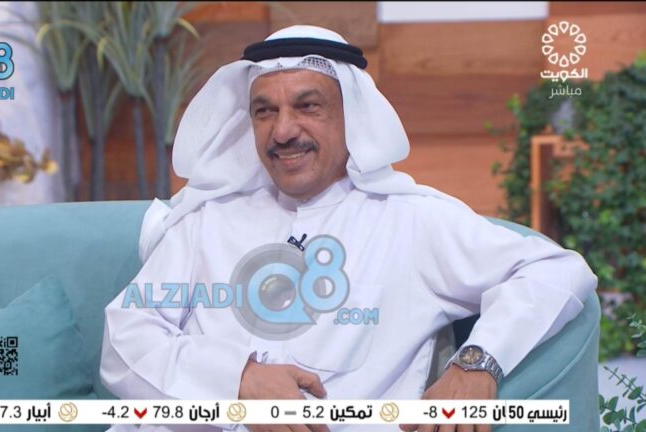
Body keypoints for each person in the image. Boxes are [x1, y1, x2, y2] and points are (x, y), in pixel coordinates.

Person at [100, 25, 597, 432]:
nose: (282, 130)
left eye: (307, 106)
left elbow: (556, 270)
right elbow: (125, 338)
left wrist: (476, 364)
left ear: (351, 116)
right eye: (265, 111)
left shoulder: (409, 221)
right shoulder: (208, 219)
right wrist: (237, 381)